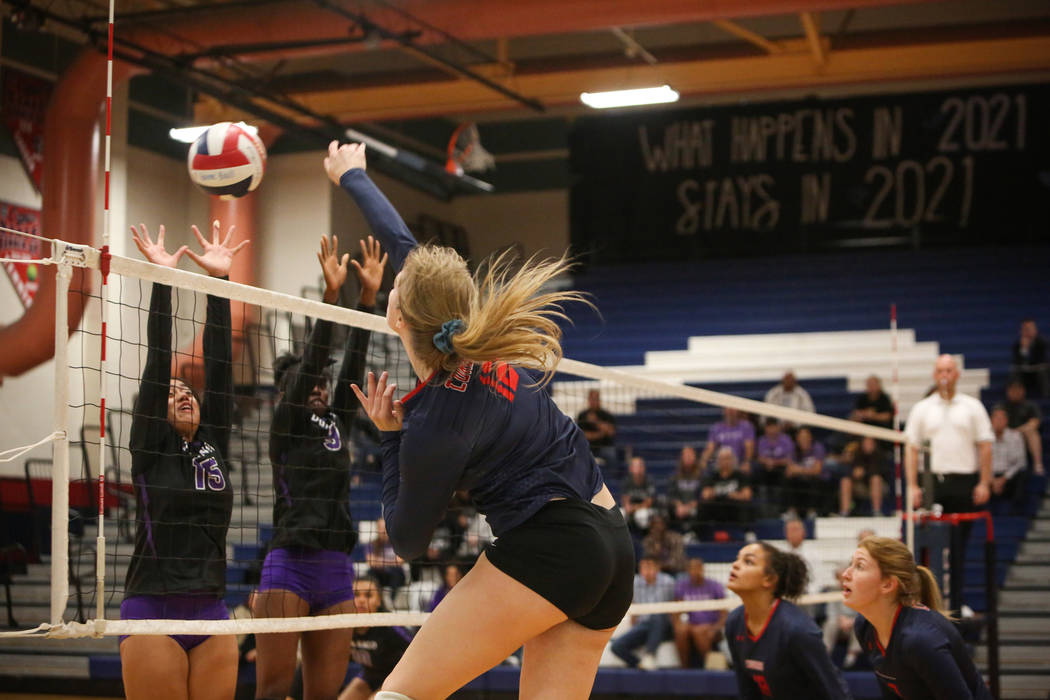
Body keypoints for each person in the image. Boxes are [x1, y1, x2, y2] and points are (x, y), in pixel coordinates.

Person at [329, 141, 634, 700]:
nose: (397, 276)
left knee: (400, 694)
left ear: (396, 317)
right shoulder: (482, 341)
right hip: (612, 545)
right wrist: (353, 176)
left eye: (396, 286)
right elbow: (405, 249)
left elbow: (406, 541)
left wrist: (392, 438)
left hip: (551, 550)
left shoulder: (435, 421)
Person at [254, 234, 386, 700]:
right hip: (289, 563)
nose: (318, 386)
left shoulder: (336, 422)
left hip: (335, 566)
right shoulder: (285, 423)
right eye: (307, 382)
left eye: (321, 384)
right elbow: (312, 363)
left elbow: (351, 365)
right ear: (289, 388)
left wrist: (367, 298)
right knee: (272, 692)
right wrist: (330, 297)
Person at [122, 221, 247, 700]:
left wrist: (218, 283)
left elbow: (218, 367)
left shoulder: (213, 440)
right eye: (172, 394)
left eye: (186, 390)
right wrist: (164, 281)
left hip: (213, 609)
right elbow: (157, 363)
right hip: (152, 606)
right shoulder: (150, 448)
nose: (183, 394)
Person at [843, 536, 992, 699]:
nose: (846, 574)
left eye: (859, 566)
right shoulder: (865, 626)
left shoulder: (920, 640)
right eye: (851, 564)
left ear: (887, 585)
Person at [903, 354, 993, 612]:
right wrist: (912, 485)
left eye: (949, 370)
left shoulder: (972, 407)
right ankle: (926, 604)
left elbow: (985, 446)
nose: (944, 375)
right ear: (934, 374)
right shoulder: (922, 408)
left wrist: (984, 482)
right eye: (940, 370)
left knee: (959, 548)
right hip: (933, 484)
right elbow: (911, 449)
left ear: (957, 374)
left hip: (964, 482)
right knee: (929, 547)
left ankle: (956, 602)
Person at [725, 542, 852, 699]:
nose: (735, 565)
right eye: (737, 559)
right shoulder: (734, 622)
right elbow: (748, 691)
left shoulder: (798, 630)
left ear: (769, 579)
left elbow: (835, 692)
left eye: (748, 561)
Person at [337, 576, 414, 700]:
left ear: (378, 601)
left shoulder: (390, 627)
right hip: (370, 675)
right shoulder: (342, 627)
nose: (361, 600)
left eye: (368, 595)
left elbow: (416, 653)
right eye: (356, 595)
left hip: (398, 677)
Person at [609, 556, 675, 670]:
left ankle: (650, 655)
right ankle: (640, 664)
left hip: (664, 626)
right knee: (616, 647)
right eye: (644, 567)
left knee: (656, 616)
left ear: (657, 568)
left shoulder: (668, 582)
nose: (647, 571)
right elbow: (634, 607)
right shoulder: (635, 582)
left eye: (650, 567)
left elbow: (675, 606)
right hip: (644, 626)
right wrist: (634, 625)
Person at [672, 558, 727, 668]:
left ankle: (709, 666)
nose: (694, 572)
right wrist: (678, 623)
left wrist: (715, 628)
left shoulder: (715, 585)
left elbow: (724, 613)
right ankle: (684, 667)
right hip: (692, 624)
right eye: (691, 569)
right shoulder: (682, 586)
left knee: (699, 631)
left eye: (697, 568)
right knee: (680, 630)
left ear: (702, 569)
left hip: (711, 624)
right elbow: (676, 611)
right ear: (687, 570)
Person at [997, 379, 1044, 475]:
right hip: (1006, 435)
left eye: (1018, 389)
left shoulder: (1030, 406)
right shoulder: (1002, 406)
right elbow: (996, 422)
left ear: (1023, 390)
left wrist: (1017, 431)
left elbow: (1034, 423)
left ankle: (1038, 464)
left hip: (1023, 435)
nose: (1015, 392)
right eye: (1012, 389)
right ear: (1008, 391)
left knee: (1031, 432)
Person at [699, 447, 753, 523]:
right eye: (722, 459)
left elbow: (747, 495)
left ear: (733, 460)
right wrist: (715, 494)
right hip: (717, 507)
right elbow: (705, 494)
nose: (725, 461)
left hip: (734, 507)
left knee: (745, 505)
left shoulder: (740, 475)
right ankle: (694, 532)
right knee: (703, 505)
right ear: (718, 461)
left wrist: (737, 496)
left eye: (728, 458)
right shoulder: (712, 476)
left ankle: (748, 531)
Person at [783, 427, 828, 518]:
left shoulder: (817, 447)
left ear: (810, 437)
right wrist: (805, 470)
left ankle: (812, 512)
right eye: (801, 437)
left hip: (816, 480)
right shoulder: (793, 448)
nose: (804, 440)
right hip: (800, 479)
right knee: (787, 480)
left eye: (806, 437)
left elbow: (817, 470)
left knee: (815, 481)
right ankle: (792, 512)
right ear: (797, 438)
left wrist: (799, 470)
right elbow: (789, 471)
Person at [989, 407, 1029, 508]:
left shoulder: (1015, 436)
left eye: (1001, 419)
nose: (998, 422)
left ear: (1006, 421)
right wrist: (991, 479)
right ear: (991, 420)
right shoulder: (985, 437)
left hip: (1009, 475)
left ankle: (1017, 514)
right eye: (996, 419)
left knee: (1022, 474)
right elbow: (979, 462)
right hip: (990, 475)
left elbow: (1020, 462)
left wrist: (1004, 478)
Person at [838, 437, 888, 517]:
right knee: (845, 481)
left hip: (878, 487)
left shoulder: (879, 456)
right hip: (859, 485)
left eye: (870, 443)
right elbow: (847, 471)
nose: (868, 446)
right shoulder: (856, 454)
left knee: (876, 479)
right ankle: (845, 512)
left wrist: (865, 472)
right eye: (866, 443)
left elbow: (882, 473)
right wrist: (853, 473)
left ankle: (876, 511)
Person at [576, 388, 619, 477]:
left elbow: (611, 432)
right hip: (588, 447)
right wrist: (601, 433)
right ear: (588, 400)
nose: (594, 401)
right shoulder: (582, 415)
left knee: (611, 454)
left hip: (603, 447)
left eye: (596, 399)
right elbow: (582, 435)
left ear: (599, 400)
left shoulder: (606, 415)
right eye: (592, 399)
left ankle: (613, 480)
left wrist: (596, 422)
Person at [756, 418, 795, 510]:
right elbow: (759, 457)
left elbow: (789, 459)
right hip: (766, 470)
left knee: (787, 476)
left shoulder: (786, 439)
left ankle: (782, 509)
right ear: (765, 428)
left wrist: (774, 462)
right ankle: (764, 509)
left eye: (774, 427)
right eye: (769, 427)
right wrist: (767, 462)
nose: (772, 430)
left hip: (781, 470)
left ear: (778, 428)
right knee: (758, 471)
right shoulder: (762, 440)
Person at [665, 446, 702, 535]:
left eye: (691, 455)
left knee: (702, 509)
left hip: (695, 507)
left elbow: (702, 496)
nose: (688, 457)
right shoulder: (674, 476)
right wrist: (679, 505)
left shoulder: (702, 476)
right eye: (686, 455)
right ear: (681, 458)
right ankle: (674, 533)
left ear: (695, 457)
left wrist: (689, 507)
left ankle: (694, 534)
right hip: (679, 508)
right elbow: (671, 495)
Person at [365, 517, 406, 593]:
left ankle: (392, 601)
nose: (383, 530)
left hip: (394, 574)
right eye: (380, 528)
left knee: (397, 572)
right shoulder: (372, 544)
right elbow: (371, 562)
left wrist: (379, 561)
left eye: (385, 527)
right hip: (380, 574)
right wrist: (391, 562)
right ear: (377, 529)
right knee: (370, 573)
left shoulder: (398, 543)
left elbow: (400, 562)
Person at [1011, 318, 1048, 398]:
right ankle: (1016, 396)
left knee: (1044, 372)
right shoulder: (1017, 345)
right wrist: (1024, 350)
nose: (1028, 332)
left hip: (1038, 371)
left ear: (1035, 330)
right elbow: (1016, 362)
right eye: (1025, 329)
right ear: (1021, 331)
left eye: (1030, 329)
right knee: (1014, 374)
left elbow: (1041, 360)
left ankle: (1046, 397)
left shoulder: (1042, 343)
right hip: (1024, 373)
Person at [620, 456, 657, 534]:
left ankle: (644, 535)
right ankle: (624, 537)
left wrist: (634, 508)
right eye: (635, 466)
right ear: (630, 469)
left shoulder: (649, 481)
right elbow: (625, 499)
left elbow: (649, 502)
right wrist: (627, 507)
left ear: (644, 468)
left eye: (640, 466)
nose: (638, 468)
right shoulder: (627, 482)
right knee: (620, 513)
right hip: (632, 509)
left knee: (641, 515)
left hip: (645, 509)